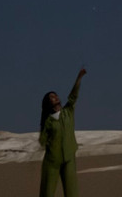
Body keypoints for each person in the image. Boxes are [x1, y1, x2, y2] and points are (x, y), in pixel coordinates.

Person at [38, 67, 86, 197]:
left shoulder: (68, 112)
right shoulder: (48, 121)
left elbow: (73, 96)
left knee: (72, 192)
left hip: (69, 157)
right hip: (52, 160)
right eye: (51, 97)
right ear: (48, 103)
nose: (55, 97)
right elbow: (42, 140)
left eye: (55, 95)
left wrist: (79, 78)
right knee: (47, 192)